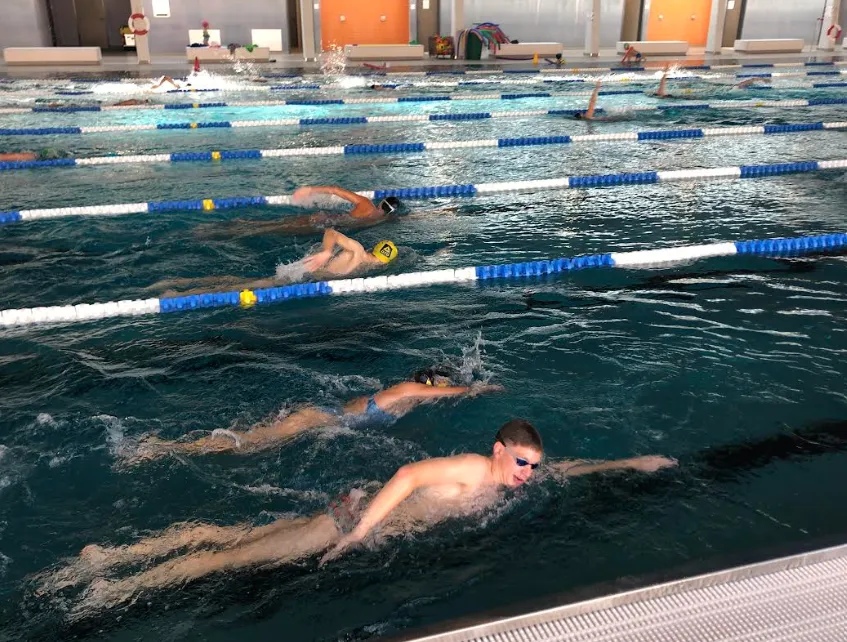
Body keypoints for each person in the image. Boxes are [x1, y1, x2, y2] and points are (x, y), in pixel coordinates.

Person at [39, 420, 675, 613]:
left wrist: (630, 463)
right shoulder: (470, 468)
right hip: (350, 523)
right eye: (522, 463)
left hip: (352, 514)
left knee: (240, 536)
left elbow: (568, 471)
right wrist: (359, 536)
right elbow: (405, 476)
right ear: (498, 449)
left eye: (534, 467)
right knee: (235, 557)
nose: (527, 476)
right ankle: (122, 584)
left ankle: (113, 556)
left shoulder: (513, 478)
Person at [131, 367, 504, 460]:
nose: (439, 390)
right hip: (318, 419)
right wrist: (483, 388)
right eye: (439, 383)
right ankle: (164, 448)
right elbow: (458, 391)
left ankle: (168, 446)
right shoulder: (409, 390)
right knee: (245, 444)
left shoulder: (406, 397)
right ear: (429, 382)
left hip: (321, 415)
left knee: (248, 439)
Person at [147, 228, 399, 297]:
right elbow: (332, 232)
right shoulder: (356, 250)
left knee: (245, 283)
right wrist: (325, 251)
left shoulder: (365, 262)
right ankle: (177, 289)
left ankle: (181, 283)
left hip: (308, 276)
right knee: (246, 286)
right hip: (305, 275)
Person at [194, 186, 404, 239]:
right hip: (325, 226)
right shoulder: (382, 221)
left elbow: (334, 189)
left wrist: (310, 189)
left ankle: (224, 227)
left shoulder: (366, 204)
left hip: (322, 219)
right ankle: (228, 232)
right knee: (273, 230)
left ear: (381, 202)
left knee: (272, 224)